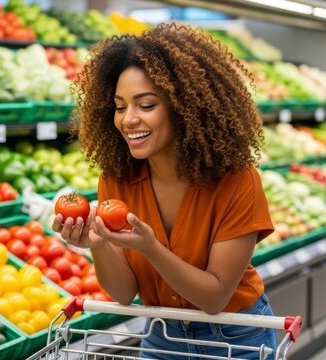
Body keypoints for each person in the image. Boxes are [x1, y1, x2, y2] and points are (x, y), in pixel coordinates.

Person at [52, 22, 277, 359]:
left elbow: (214, 297)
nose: (128, 120)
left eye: (146, 105)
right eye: (119, 106)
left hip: (236, 335)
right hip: (162, 334)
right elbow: (125, 293)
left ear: (184, 108)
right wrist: (98, 245)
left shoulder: (237, 181)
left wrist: (151, 248)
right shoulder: (116, 179)